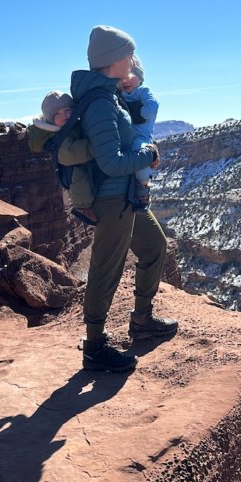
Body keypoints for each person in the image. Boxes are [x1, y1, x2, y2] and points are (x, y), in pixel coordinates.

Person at [71, 25, 178, 373]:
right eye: (129, 53)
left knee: (155, 246)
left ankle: (142, 318)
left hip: (127, 195)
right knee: (106, 268)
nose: (133, 59)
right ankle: (95, 345)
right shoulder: (101, 103)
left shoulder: (110, 95)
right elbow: (111, 162)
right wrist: (149, 155)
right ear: (114, 59)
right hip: (112, 197)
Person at [26, 91, 97, 224]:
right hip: (69, 172)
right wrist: (97, 146)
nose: (64, 114)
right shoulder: (57, 134)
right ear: (50, 119)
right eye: (57, 113)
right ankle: (83, 207)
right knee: (79, 174)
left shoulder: (69, 127)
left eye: (67, 109)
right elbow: (70, 154)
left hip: (73, 166)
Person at [119, 54, 159, 209]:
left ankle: (143, 187)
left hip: (141, 136)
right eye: (122, 78)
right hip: (125, 136)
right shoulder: (120, 94)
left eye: (130, 76)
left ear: (140, 78)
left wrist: (135, 113)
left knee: (140, 154)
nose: (125, 81)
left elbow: (152, 109)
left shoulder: (143, 91)